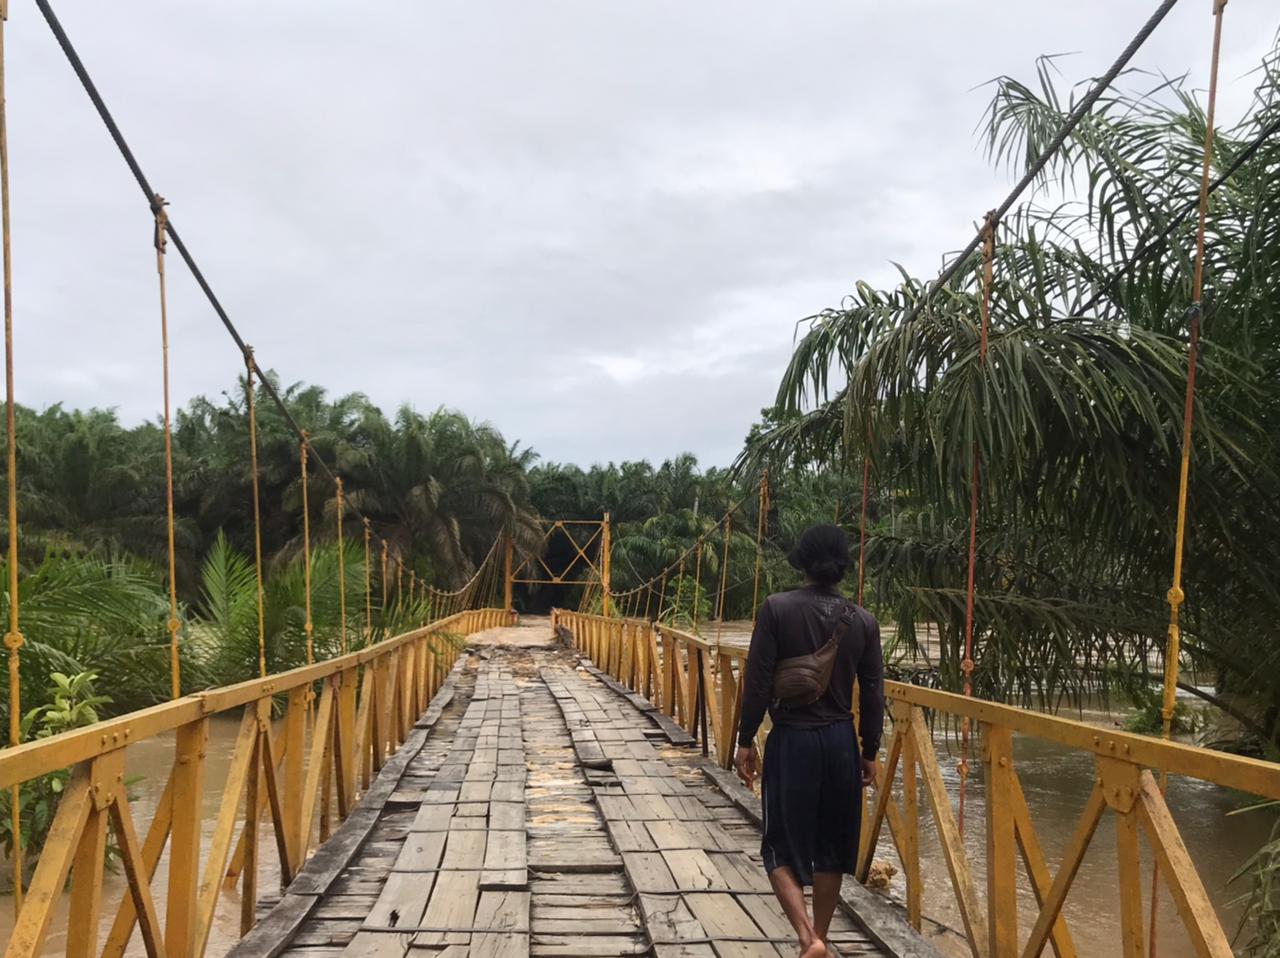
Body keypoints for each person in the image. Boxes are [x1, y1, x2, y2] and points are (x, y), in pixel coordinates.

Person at [735, 523, 885, 958]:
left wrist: (746, 739)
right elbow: (874, 692)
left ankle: (807, 937)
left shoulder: (776, 609)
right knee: (832, 848)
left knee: (779, 843)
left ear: (800, 560)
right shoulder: (864, 621)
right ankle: (822, 935)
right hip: (841, 743)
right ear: (842, 566)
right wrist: (869, 750)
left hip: (793, 741)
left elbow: (759, 682)